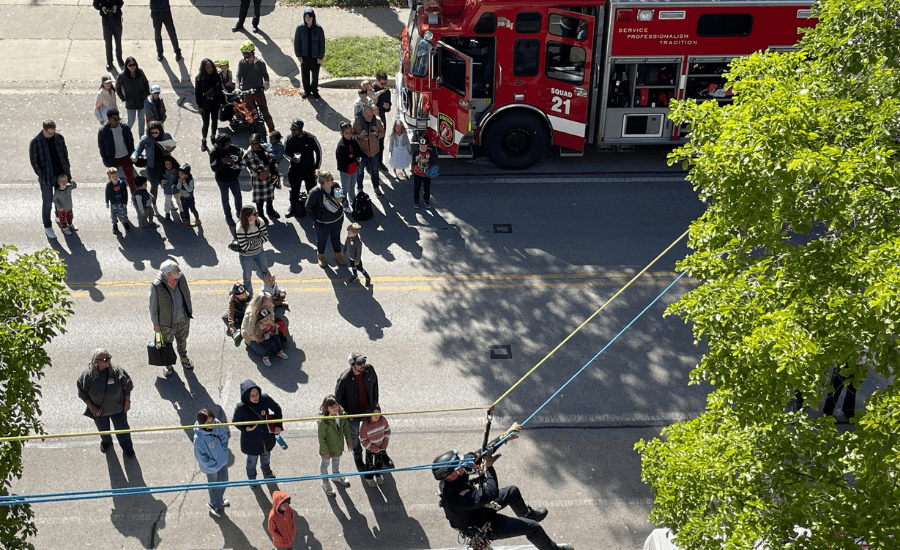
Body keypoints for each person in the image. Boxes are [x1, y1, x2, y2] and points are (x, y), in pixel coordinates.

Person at [432, 423, 573, 550]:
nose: (463, 467)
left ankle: (528, 515)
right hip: (483, 524)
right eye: (459, 467)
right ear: (451, 475)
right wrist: (489, 467)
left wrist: (504, 436)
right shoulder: (456, 498)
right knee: (533, 528)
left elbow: (480, 453)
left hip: (478, 509)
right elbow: (490, 492)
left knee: (512, 491)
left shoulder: (452, 477)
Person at [77, 348, 135, 457]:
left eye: (109, 358)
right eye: (104, 359)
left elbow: (127, 386)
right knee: (103, 430)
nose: (108, 360)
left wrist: (127, 401)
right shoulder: (87, 376)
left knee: (123, 431)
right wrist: (91, 407)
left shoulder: (117, 371)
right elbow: (82, 392)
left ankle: (128, 448)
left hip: (118, 409)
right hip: (99, 411)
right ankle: (107, 442)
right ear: (96, 361)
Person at [334, 352, 379, 475]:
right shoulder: (344, 380)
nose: (363, 364)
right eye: (359, 363)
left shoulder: (370, 370)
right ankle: (358, 457)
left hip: (368, 412)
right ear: (352, 365)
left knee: (373, 434)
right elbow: (337, 401)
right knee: (354, 438)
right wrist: (347, 416)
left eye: (363, 361)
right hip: (353, 416)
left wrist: (375, 406)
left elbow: (375, 387)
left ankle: (379, 454)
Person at [149, 259, 193, 378]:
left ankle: (183, 356)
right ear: (168, 274)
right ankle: (167, 364)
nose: (179, 271)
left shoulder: (180, 277)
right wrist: (156, 325)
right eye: (176, 270)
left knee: (182, 340)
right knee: (167, 344)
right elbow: (153, 307)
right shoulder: (157, 285)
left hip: (183, 319)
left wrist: (189, 311)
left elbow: (187, 294)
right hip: (167, 323)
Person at [29, 120, 71, 240]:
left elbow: (65, 154)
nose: (52, 135)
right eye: (49, 133)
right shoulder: (35, 142)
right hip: (46, 178)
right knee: (47, 204)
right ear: (44, 130)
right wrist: (42, 175)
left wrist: (67, 171)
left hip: (60, 175)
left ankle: (59, 217)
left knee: (61, 200)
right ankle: (48, 226)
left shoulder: (59, 138)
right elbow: (34, 162)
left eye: (53, 132)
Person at [233, 380, 283, 480]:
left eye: (257, 394)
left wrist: (278, 425)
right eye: (252, 395)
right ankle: (252, 479)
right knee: (251, 461)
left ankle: (267, 472)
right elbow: (235, 422)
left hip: (266, 437)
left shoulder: (264, 399)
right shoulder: (241, 407)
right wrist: (245, 428)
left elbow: (277, 409)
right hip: (251, 441)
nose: (256, 397)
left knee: (266, 457)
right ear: (247, 396)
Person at [193, 408, 230, 518]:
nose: (212, 424)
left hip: (222, 461)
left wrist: (224, 451)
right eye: (208, 422)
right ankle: (214, 504)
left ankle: (216, 502)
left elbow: (224, 437)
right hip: (212, 467)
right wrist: (215, 465)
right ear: (201, 423)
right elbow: (201, 458)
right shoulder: (199, 440)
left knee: (223, 481)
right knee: (214, 486)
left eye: (212, 421)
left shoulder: (217, 424)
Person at [132, 121, 176, 212]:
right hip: (152, 167)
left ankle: (170, 202)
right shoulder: (146, 139)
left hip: (165, 167)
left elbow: (173, 145)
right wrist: (134, 156)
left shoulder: (166, 136)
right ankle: (154, 206)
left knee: (167, 185)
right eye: (152, 133)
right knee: (154, 187)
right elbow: (138, 150)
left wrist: (170, 148)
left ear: (160, 130)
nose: (154, 134)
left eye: (156, 132)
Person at [307, 170, 346, 267]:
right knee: (321, 240)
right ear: (324, 182)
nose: (333, 180)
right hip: (322, 223)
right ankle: (321, 257)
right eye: (330, 179)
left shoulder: (336, 186)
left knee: (336, 238)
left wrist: (342, 199)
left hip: (337, 219)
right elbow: (308, 207)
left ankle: (338, 256)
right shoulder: (315, 193)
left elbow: (343, 197)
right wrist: (315, 221)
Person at [284, 118, 321, 216]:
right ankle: (292, 207)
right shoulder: (289, 139)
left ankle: (312, 209)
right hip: (295, 170)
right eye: (291, 129)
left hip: (309, 170)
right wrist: (291, 159)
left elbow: (319, 152)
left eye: (295, 129)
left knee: (311, 191)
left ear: (301, 130)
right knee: (294, 190)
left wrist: (317, 168)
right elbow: (285, 153)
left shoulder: (311, 138)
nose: (292, 131)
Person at [317, 394, 352, 496]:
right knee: (325, 464)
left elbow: (346, 429)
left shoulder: (341, 415)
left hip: (337, 445)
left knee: (336, 460)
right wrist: (325, 452)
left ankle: (336, 475)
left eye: (336, 405)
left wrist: (349, 442)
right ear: (326, 408)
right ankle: (325, 482)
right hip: (327, 448)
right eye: (332, 407)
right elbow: (321, 439)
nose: (335, 408)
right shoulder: (323, 421)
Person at [236, 41, 274, 132]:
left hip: (258, 90)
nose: (245, 56)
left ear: (252, 52)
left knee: (265, 113)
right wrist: (237, 88)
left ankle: (272, 132)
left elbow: (265, 75)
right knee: (251, 113)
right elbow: (238, 76)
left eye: (247, 54)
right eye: (244, 54)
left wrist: (266, 83)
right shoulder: (241, 63)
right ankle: (253, 130)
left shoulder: (260, 63)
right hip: (246, 91)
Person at [243, 134, 280, 223]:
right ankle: (260, 214)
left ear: (260, 142)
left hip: (270, 176)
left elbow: (275, 159)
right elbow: (242, 165)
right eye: (252, 143)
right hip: (258, 179)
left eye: (255, 143)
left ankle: (270, 210)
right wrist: (256, 173)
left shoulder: (266, 148)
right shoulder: (248, 154)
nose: (253, 145)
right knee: (259, 198)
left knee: (270, 195)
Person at [209, 135, 244, 229]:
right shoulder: (214, 153)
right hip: (222, 180)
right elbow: (213, 168)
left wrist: (235, 159)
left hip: (233, 177)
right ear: (221, 144)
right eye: (226, 143)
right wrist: (223, 162)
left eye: (229, 143)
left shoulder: (233, 148)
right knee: (225, 199)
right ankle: (228, 217)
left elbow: (240, 154)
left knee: (238, 196)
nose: (228, 145)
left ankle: (239, 212)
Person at [235, 205, 270, 297]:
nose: (256, 216)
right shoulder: (240, 228)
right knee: (247, 277)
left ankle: (270, 293)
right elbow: (244, 246)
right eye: (254, 214)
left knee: (265, 272)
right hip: (246, 256)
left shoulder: (259, 222)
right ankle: (249, 297)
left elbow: (266, 238)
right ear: (247, 216)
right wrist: (259, 238)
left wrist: (252, 241)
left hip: (259, 252)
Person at [97, 108, 136, 191]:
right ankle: (115, 199)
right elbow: (101, 147)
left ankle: (134, 197)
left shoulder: (124, 127)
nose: (117, 120)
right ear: (109, 119)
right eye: (114, 119)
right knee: (113, 181)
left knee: (131, 180)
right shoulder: (103, 131)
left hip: (125, 157)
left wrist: (132, 155)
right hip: (112, 159)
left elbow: (130, 141)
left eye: (118, 118)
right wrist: (105, 161)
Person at [352, 105, 386, 197]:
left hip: (374, 152)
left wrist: (378, 134)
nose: (370, 118)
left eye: (371, 115)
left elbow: (382, 132)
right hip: (361, 153)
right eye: (368, 116)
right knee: (359, 172)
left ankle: (376, 187)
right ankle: (359, 189)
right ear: (363, 114)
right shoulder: (356, 123)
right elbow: (351, 136)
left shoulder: (377, 122)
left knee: (374, 171)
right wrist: (358, 136)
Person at [293, 8, 325, 99]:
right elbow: (297, 42)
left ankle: (314, 90)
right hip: (304, 56)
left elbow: (322, 43)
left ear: (313, 17)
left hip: (315, 57)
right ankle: (307, 90)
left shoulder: (318, 29)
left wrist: (320, 56)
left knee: (315, 75)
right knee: (305, 75)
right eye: (306, 17)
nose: (308, 19)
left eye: (310, 17)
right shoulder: (300, 28)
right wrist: (298, 55)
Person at [115, 57, 150, 136]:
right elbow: (117, 88)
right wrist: (123, 98)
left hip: (141, 100)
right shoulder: (122, 75)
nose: (132, 66)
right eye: (130, 65)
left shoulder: (140, 72)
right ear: (126, 66)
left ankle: (142, 137)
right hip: (130, 102)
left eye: (134, 64)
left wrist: (147, 96)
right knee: (131, 121)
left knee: (141, 119)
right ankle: (124, 134)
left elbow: (146, 83)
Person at [195, 58, 224, 152]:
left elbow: (220, 90)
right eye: (207, 67)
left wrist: (222, 103)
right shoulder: (199, 78)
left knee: (214, 121)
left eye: (211, 66)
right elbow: (197, 93)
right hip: (205, 104)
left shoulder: (216, 76)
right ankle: (204, 140)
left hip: (215, 103)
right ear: (204, 68)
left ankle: (213, 137)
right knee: (206, 123)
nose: (210, 68)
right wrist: (199, 106)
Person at [336, 121, 364, 212]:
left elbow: (358, 150)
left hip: (353, 169)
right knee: (344, 189)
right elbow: (345, 160)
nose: (349, 135)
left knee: (352, 187)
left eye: (350, 133)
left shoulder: (353, 140)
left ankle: (352, 201)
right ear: (342, 133)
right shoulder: (341, 145)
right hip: (345, 171)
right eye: (347, 133)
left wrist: (358, 156)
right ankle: (344, 205)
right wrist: (354, 157)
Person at [360, 404, 390, 487]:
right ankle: (369, 478)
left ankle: (378, 475)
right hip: (370, 448)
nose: (377, 416)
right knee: (369, 464)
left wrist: (384, 444)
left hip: (380, 447)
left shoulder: (383, 420)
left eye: (378, 414)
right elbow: (363, 440)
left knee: (378, 462)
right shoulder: (365, 426)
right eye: (374, 415)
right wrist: (372, 448)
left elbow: (387, 431)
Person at [94, 0, 124, 71]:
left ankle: (119, 58)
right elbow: (95, 4)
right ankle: (109, 62)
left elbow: (121, 2)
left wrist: (116, 7)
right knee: (108, 42)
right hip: (106, 20)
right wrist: (102, 8)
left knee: (118, 40)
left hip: (116, 18)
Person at [372, 72, 392, 169]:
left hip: (381, 117)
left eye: (385, 83)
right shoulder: (371, 89)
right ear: (377, 81)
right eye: (382, 83)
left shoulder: (387, 91)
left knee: (381, 140)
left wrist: (387, 107)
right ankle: (369, 162)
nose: (384, 85)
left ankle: (379, 161)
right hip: (371, 117)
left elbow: (389, 106)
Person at [105, 167, 133, 235]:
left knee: (123, 213)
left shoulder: (122, 183)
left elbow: (125, 193)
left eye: (115, 176)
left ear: (117, 174)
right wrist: (107, 202)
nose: (114, 177)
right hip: (113, 203)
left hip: (121, 202)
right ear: (109, 177)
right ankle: (115, 225)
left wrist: (124, 202)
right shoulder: (109, 185)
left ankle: (125, 223)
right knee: (113, 215)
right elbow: (107, 193)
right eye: (112, 176)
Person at [412, 137, 437, 208]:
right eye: (421, 146)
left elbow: (433, 162)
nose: (422, 147)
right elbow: (413, 163)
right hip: (418, 173)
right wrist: (416, 160)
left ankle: (426, 200)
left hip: (427, 174)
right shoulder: (416, 152)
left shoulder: (430, 152)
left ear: (427, 145)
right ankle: (416, 200)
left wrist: (428, 159)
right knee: (416, 188)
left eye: (424, 146)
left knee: (427, 188)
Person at [344, 222, 371, 286]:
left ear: (355, 234)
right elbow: (346, 243)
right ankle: (355, 275)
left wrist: (357, 260)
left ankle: (367, 277)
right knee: (353, 267)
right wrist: (344, 250)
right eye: (348, 232)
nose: (348, 234)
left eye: (350, 233)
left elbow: (359, 252)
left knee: (360, 268)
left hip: (355, 259)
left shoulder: (358, 242)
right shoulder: (348, 238)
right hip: (350, 257)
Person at [176, 163, 200, 228]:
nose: (180, 175)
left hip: (190, 199)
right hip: (183, 198)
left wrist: (184, 183)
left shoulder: (190, 180)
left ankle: (197, 219)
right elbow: (178, 188)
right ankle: (188, 222)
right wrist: (180, 183)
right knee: (185, 211)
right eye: (179, 173)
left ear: (186, 174)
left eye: (182, 174)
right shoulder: (179, 179)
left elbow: (190, 190)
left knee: (193, 209)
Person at [159, 156, 180, 223]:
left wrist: (177, 183)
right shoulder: (162, 172)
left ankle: (182, 212)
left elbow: (179, 178)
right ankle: (167, 214)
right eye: (166, 164)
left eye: (169, 164)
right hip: (167, 189)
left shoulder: (176, 171)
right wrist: (162, 181)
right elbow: (159, 179)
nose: (168, 166)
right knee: (167, 203)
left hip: (175, 189)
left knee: (179, 201)